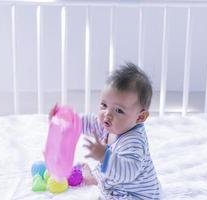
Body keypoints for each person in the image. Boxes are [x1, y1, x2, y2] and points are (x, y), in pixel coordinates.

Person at [49, 62, 161, 199]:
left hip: (136, 195)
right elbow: (90, 123)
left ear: (140, 117)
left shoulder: (134, 142)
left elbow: (127, 172)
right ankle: (96, 178)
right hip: (117, 184)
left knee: (108, 175)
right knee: (106, 168)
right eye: (104, 105)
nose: (107, 114)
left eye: (119, 110)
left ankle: (96, 179)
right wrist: (68, 121)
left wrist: (104, 157)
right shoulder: (112, 124)